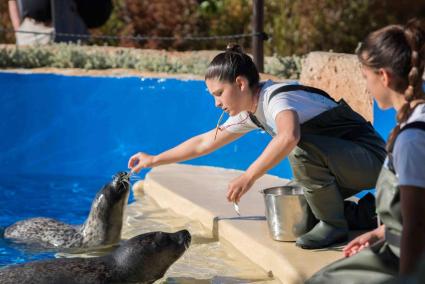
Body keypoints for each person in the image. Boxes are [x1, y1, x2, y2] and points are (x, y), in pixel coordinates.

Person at [128, 44, 386, 249]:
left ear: (240, 83)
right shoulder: (250, 111)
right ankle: (368, 213)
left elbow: (289, 137)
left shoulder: (277, 99)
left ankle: (333, 225)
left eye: (219, 93)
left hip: (372, 159)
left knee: (300, 151)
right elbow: (203, 143)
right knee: (293, 211)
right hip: (344, 163)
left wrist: (248, 176)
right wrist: (154, 159)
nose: (217, 104)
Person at [307, 18, 425, 283]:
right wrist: (379, 234)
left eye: (366, 77)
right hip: (396, 247)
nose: (367, 86)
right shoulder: (414, 122)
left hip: (409, 261)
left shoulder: (413, 138)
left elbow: (416, 227)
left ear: (383, 76)